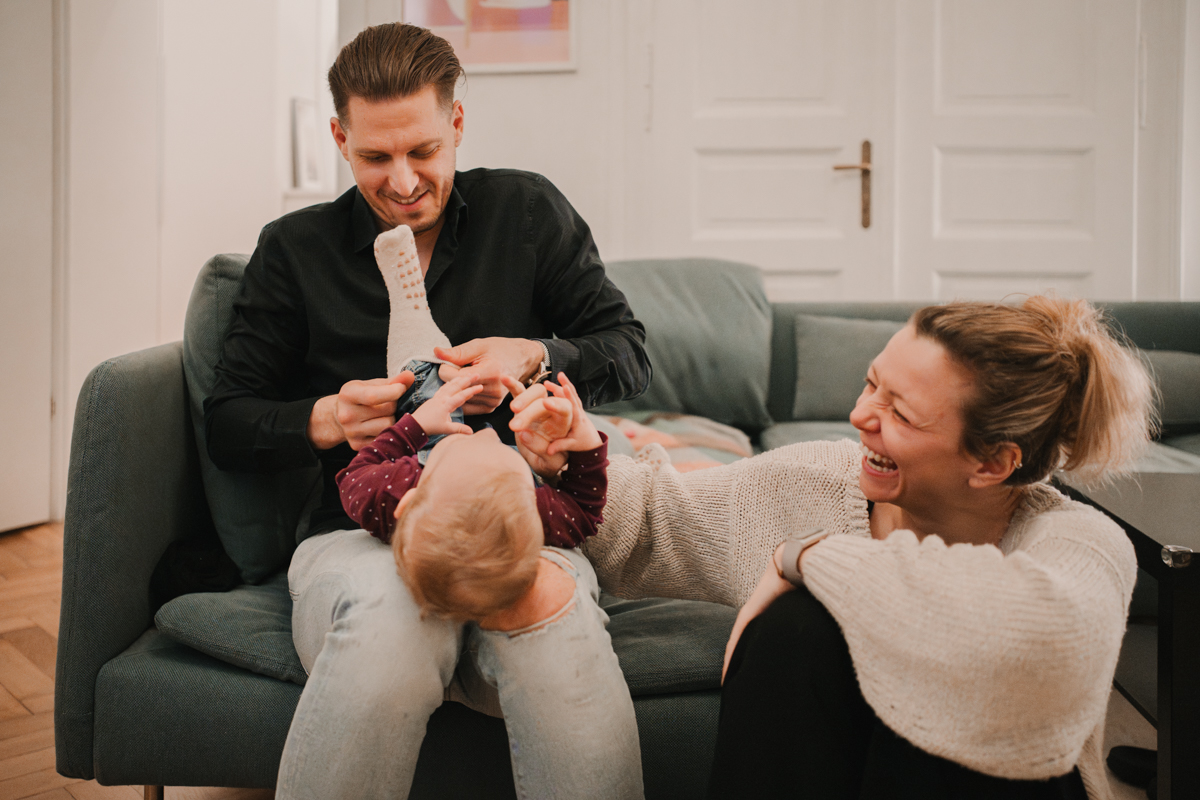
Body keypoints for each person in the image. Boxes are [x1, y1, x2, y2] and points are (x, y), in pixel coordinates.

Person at [204, 21, 649, 800]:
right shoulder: (294, 251)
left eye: (423, 151)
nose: (403, 182)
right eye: (375, 157)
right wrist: (328, 421)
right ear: (340, 137)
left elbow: (629, 349)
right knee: (386, 625)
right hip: (357, 540)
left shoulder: (528, 213)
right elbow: (229, 421)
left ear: (457, 125)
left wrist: (532, 353)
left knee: (556, 637)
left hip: (521, 523)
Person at [583, 296, 1153, 799]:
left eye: (899, 412)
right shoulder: (817, 481)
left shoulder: (1080, 540)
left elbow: (1040, 630)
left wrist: (804, 557)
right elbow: (659, 515)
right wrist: (572, 460)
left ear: (993, 462)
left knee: (852, 624)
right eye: (871, 383)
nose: (860, 416)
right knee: (799, 625)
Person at [337, 371, 608, 621]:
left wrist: (414, 426)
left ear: (408, 504)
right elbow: (584, 512)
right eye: (503, 448)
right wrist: (587, 444)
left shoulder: (397, 489)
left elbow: (353, 475)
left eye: (472, 442)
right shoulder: (525, 510)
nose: (489, 432)